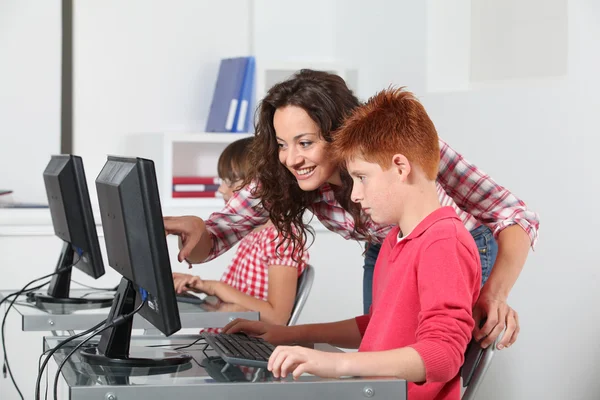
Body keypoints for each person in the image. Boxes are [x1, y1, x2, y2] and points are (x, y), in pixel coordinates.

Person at [164, 69, 539, 349]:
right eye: (281, 144)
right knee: (380, 347)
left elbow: (514, 214)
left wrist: (495, 293)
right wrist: (197, 231)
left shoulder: (401, 149)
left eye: (305, 142)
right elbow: (218, 234)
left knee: (426, 355)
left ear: (339, 132)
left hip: (456, 244)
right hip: (390, 246)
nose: (291, 159)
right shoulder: (288, 175)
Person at [224, 88, 481, 399]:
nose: (355, 195)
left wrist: (335, 364)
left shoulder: (444, 242)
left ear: (400, 168)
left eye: (361, 177)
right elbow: (374, 324)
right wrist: (289, 335)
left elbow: (443, 356)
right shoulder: (395, 240)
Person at [169, 137, 309, 325]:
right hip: (230, 334)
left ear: (259, 184)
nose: (221, 189)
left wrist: (214, 287)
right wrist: (199, 285)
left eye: (230, 181)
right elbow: (238, 297)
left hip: (250, 343)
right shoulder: (250, 234)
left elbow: (277, 317)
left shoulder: (281, 240)